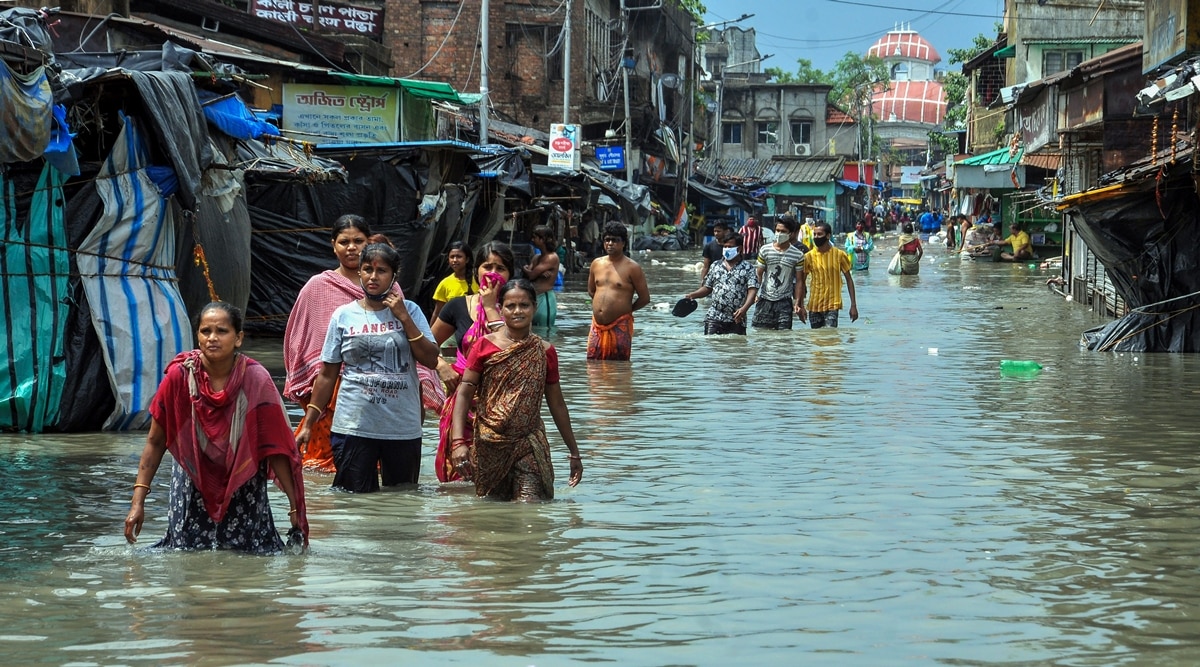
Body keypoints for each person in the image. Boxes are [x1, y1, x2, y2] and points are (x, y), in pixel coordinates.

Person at [124, 302, 308, 554]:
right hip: (192, 483)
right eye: (205, 331)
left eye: (221, 331)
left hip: (245, 486)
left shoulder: (256, 380)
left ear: (239, 338)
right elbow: (155, 443)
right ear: (197, 336)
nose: (212, 338)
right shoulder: (178, 378)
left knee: (249, 560)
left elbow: (275, 448)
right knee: (187, 558)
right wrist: (137, 503)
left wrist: (294, 507)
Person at [283, 215, 442, 473]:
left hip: (396, 410)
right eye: (344, 241)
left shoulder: (400, 300)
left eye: (358, 241)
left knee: (397, 490)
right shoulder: (321, 289)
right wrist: (311, 416)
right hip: (342, 400)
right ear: (333, 245)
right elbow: (302, 340)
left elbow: (420, 355)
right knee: (335, 475)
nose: (351, 247)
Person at [449, 279, 584, 501]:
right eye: (510, 306)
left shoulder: (545, 351)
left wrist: (574, 451)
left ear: (535, 307)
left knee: (528, 507)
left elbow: (557, 403)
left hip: (528, 441)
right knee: (492, 509)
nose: (517, 311)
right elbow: (464, 393)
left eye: (524, 305)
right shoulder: (484, 346)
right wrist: (458, 442)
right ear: (500, 309)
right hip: (489, 442)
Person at [431, 241, 515, 482]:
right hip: (462, 403)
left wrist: (491, 307)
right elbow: (426, 345)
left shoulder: (516, 310)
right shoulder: (458, 306)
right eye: (487, 266)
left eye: (501, 268)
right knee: (459, 481)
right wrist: (441, 366)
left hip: (501, 406)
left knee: (496, 480)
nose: (493, 273)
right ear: (476, 269)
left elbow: (513, 352)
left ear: (510, 274)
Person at [587, 222, 650, 360]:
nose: (610, 243)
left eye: (615, 240)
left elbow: (645, 298)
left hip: (620, 325)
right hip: (597, 326)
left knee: (619, 368)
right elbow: (592, 291)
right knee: (592, 367)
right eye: (607, 240)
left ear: (623, 243)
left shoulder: (633, 268)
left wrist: (626, 310)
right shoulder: (596, 264)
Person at [683, 232, 759, 335]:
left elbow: (752, 290)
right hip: (714, 317)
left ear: (739, 248)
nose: (727, 249)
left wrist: (744, 309)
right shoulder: (715, 266)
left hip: (737, 317)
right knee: (713, 346)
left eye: (730, 246)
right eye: (725, 246)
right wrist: (693, 295)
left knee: (738, 348)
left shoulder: (748, 268)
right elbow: (707, 288)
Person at [797, 221, 859, 329]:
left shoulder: (839, 255)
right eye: (815, 234)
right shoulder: (808, 257)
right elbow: (801, 282)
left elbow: (849, 280)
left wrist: (853, 305)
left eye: (819, 234)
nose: (816, 237)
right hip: (814, 305)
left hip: (832, 305)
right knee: (816, 340)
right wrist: (801, 305)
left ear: (828, 236)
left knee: (830, 336)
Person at [753, 216, 805, 330]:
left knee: (784, 337)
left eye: (783, 231)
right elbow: (759, 274)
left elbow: (800, 281)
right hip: (765, 299)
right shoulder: (765, 250)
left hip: (785, 301)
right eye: (778, 230)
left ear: (790, 234)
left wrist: (798, 302)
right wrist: (755, 293)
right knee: (760, 334)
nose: (779, 234)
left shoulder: (798, 255)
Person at [522, 225, 560, 329]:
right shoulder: (536, 257)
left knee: (545, 332)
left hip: (545, 299)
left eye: (535, 237)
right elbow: (528, 276)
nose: (532, 240)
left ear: (542, 239)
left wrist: (526, 269)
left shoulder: (551, 257)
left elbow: (531, 274)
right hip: (533, 299)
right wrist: (532, 271)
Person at [431, 241, 477, 324]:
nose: (455, 260)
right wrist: (430, 335)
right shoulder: (445, 283)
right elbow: (437, 312)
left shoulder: (478, 280)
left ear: (467, 259)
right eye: (452, 257)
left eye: (459, 256)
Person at [699, 220, 731, 284]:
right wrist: (702, 280)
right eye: (715, 231)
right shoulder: (709, 246)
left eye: (718, 231)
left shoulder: (731, 247)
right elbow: (706, 266)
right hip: (714, 278)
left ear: (726, 231)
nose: (716, 233)